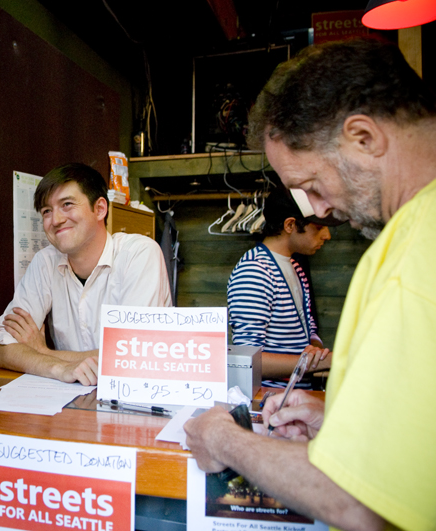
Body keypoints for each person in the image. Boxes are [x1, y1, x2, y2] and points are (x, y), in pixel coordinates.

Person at [184, 37, 436, 530]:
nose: (318, 210)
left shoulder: (415, 258)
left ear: (364, 137)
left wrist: (224, 440)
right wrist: (337, 417)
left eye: (312, 185)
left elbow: (359, 504)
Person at [0, 163, 172, 385]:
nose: (56, 220)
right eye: (47, 211)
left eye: (67, 204)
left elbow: (132, 359)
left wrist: (42, 351)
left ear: (100, 209)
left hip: (137, 401)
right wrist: (59, 368)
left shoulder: (139, 254)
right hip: (71, 406)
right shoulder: (45, 262)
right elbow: (0, 348)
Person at [227, 189, 336, 384]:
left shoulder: (295, 266)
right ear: (290, 225)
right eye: (319, 227)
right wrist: (323, 362)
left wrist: (315, 349)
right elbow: (248, 360)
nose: (327, 235)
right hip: (270, 400)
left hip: (295, 397)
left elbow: (307, 330)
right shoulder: (255, 271)